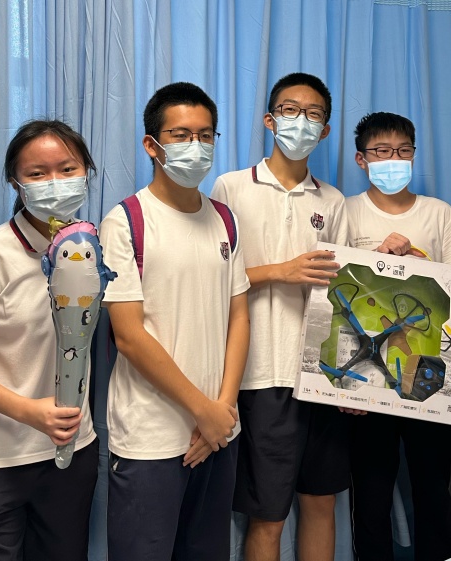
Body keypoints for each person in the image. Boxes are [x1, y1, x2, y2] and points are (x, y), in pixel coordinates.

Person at [100, 82, 250, 561]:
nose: (196, 146)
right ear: (152, 145)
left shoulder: (225, 220)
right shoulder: (125, 221)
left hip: (219, 433)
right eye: (181, 135)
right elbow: (129, 336)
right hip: (151, 438)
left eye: (205, 136)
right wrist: (202, 411)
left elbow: (239, 316)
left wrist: (221, 410)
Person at [211, 72, 349, 561]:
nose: (301, 121)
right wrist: (280, 271)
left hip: (321, 377)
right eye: (291, 110)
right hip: (261, 374)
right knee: (267, 514)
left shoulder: (332, 200)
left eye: (313, 114)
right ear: (270, 120)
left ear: (325, 130)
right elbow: (212, 277)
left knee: (321, 503)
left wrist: (348, 380)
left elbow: (344, 293)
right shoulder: (231, 187)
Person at [0, 120, 100, 560]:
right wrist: (29, 411)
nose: (55, 183)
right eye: (38, 173)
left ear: (86, 172)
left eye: (67, 169)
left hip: (72, 451)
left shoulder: (92, 248)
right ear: (14, 183)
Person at [345, 112, 451, 561]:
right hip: (369, 375)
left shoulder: (439, 214)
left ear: (414, 156)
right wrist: (377, 261)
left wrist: (420, 263)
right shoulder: (346, 212)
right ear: (361, 159)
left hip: (428, 371)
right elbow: (333, 293)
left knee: (433, 488)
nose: (393, 160)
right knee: (371, 492)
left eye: (402, 151)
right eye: (382, 152)